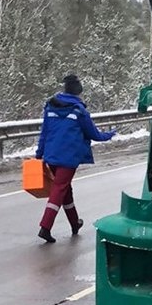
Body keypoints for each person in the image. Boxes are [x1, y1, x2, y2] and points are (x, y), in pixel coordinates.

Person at [34, 74, 115, 243]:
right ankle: (45, 226)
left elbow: (44, 133)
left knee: (64, 189)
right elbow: (93, 134)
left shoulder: (50, 107)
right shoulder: (79, 110)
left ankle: (74, 222)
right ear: (77, 91)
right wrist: (109, 135)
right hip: (68, 158)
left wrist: (39, 154)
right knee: (59, 189)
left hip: (51, 155)